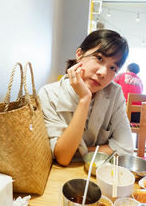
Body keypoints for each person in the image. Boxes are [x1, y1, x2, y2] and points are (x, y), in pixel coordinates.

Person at [39, 29, 134, 166]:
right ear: (79, 54)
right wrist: (84, 100)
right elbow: (64, 157)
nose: (102, 73)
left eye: (113, 68)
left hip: (100, 173)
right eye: (99, 58)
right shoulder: (49, 94)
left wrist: (77, 152)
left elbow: (126, 149)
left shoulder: (114, 93)